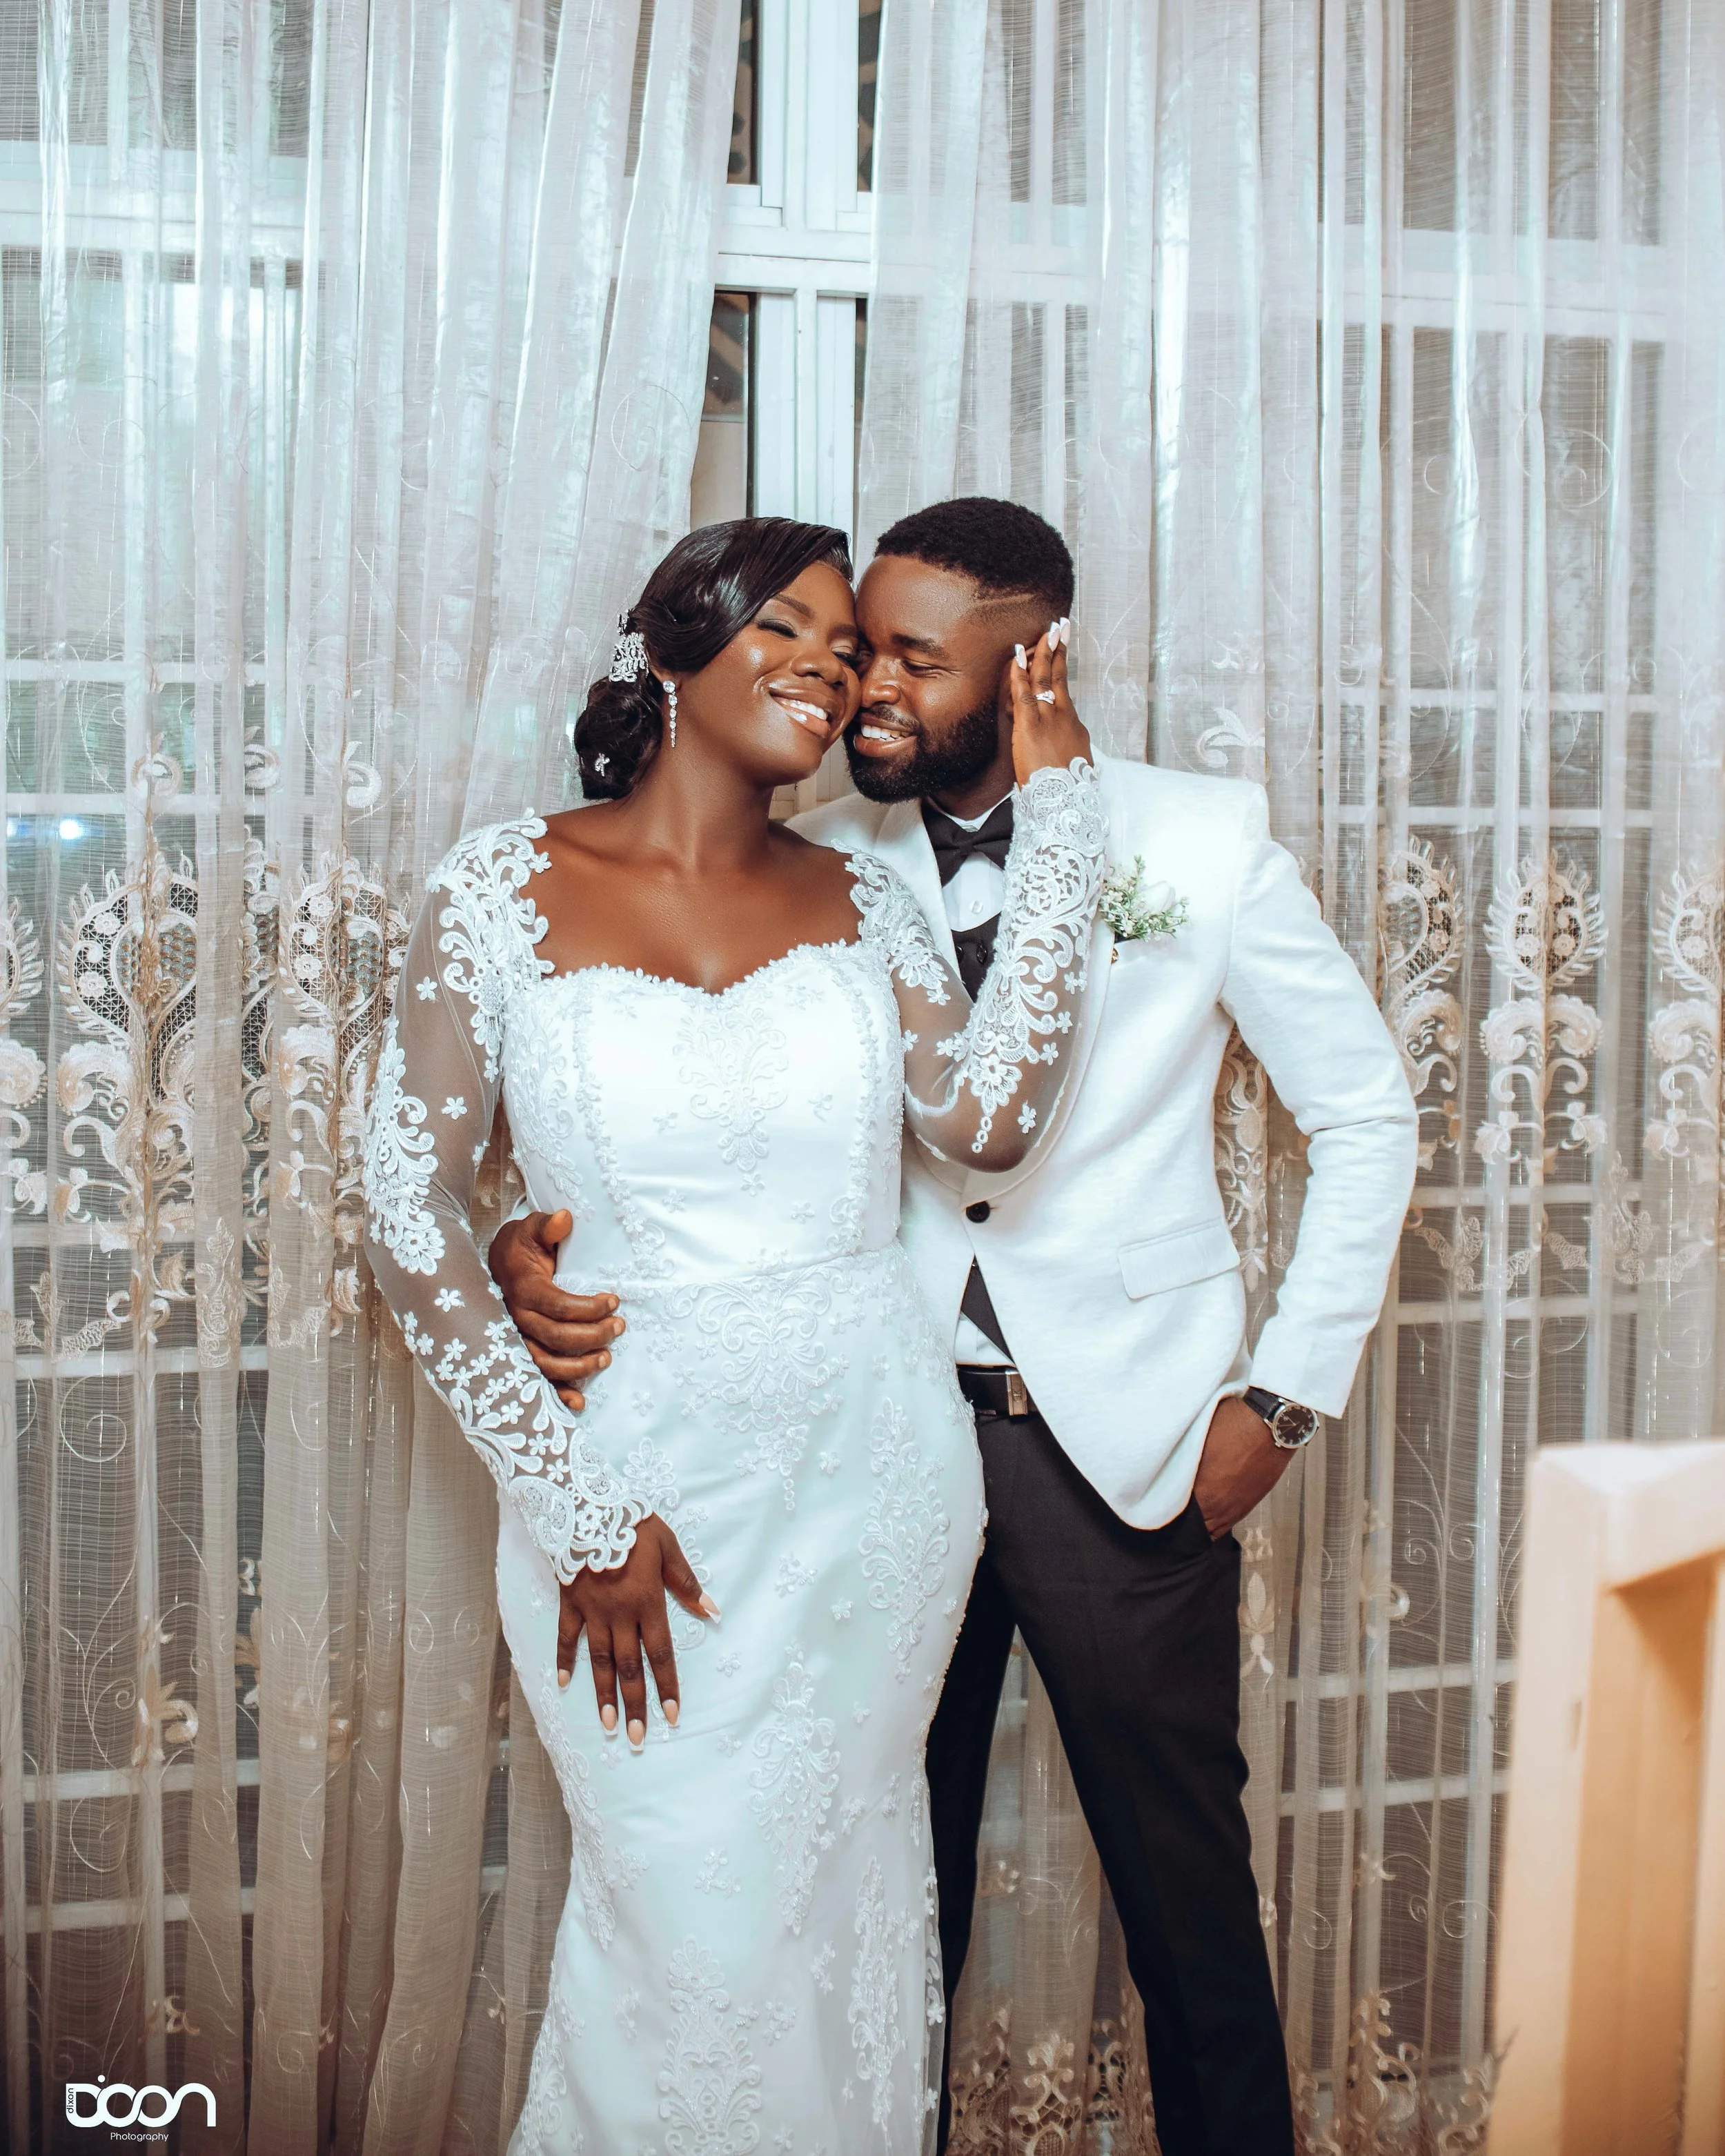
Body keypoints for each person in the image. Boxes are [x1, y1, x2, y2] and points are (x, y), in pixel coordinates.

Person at [490, 497, 1419, 2154]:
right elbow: (684, 1107)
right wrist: (522, 1234)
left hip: (1118, 1449)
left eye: (910, 657)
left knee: (1188, 1912)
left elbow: (1362, 1114)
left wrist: (1277, 1397)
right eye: (860, 652)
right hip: (855, 1461)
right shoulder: (820, 859)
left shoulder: (1197, 841)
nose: (865, 694)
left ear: (1032, 654)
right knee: (864, 1906)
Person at [360, 515, 1107, 2153]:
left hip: (876, 1491)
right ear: (675, 642)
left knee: (836, 1910)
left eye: (848, 648)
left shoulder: (865, 899)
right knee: (685, 1925)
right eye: (784, 622)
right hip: (632, 1489)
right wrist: (573, 1505)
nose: (827, 666)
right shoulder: (498, 885)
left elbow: (984, 1119)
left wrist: (1060, 819)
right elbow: (406, 1211)